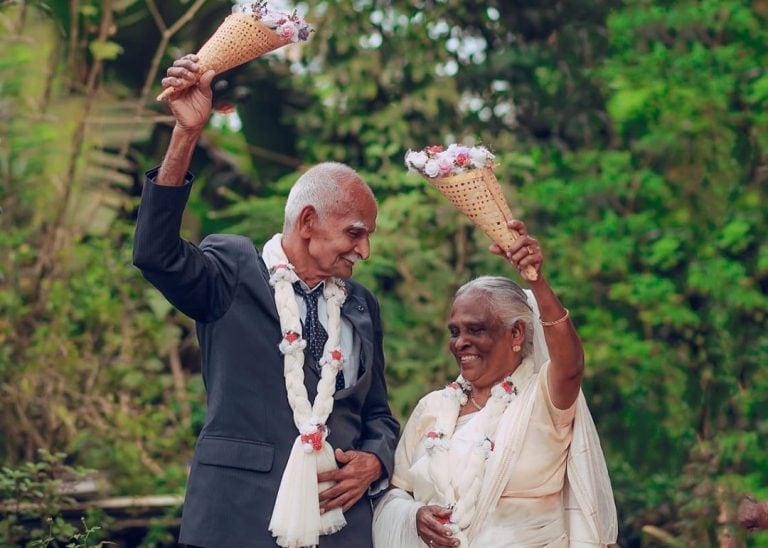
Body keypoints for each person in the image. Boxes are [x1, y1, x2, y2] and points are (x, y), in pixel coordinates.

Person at [133, 55, 399, 548]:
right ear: (307, 223)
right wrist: (185, 135)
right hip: (238, 519)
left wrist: (376, 459)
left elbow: (378, 413)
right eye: (355, 233)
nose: (364, 250)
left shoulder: (361, 305)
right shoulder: (232, 270)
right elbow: (154, 255)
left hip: (338, 525)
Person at [372, 220, 618, 547]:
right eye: (455, 332)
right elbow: (396, 491)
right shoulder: (433, 408)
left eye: (476, 330)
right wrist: (414, 517)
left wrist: (536, 280)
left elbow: (571, 365)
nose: (460, 342)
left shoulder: (541, 398)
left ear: (515, 333)